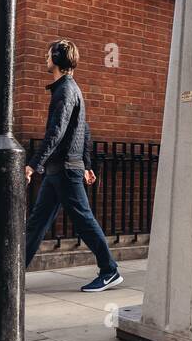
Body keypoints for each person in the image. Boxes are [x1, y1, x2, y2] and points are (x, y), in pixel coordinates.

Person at [23, 39, 123, 293]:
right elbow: (84, 129)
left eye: (49, 55)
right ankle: (13, 271)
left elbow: (56, 131)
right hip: (59, 170)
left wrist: (34, 164)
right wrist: (87, 164)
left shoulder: (66, 90)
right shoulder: (69, 89)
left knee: (84, 220)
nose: (46, 59)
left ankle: (109, 270)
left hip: (66, 169)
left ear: (57, 59)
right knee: (37, 222)